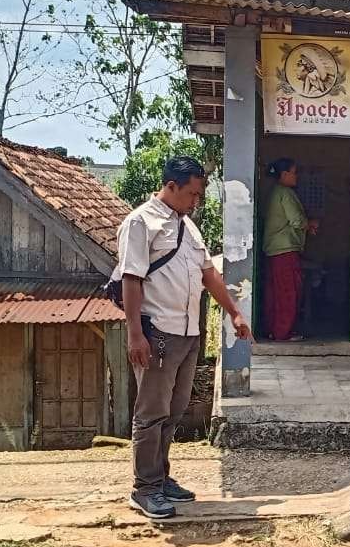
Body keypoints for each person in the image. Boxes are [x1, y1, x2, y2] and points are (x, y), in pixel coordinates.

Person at [113, 156, 253, 520]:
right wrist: (134, 334)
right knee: (151, 412)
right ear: (171, 186)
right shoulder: (140, 223)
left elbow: (209, 274)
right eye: (191, 194)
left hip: (189, 333)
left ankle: (161, 478)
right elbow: (131, 278)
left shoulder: (188, 228)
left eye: (199, 195)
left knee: (173, 411)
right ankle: (144, 488)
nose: (195, 202)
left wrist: (234, 312)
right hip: (157, 331)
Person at [263, 157, 318, 341]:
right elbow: (296, 220)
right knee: (288, 293)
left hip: (274, 250)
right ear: (285, 174)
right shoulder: (285, 193)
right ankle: (283, 332)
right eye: (294, 172)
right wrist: (309, 223)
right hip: (285, 250)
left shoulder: (274, 192)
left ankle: (274, 330)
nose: (297, 176)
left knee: (275, 293)